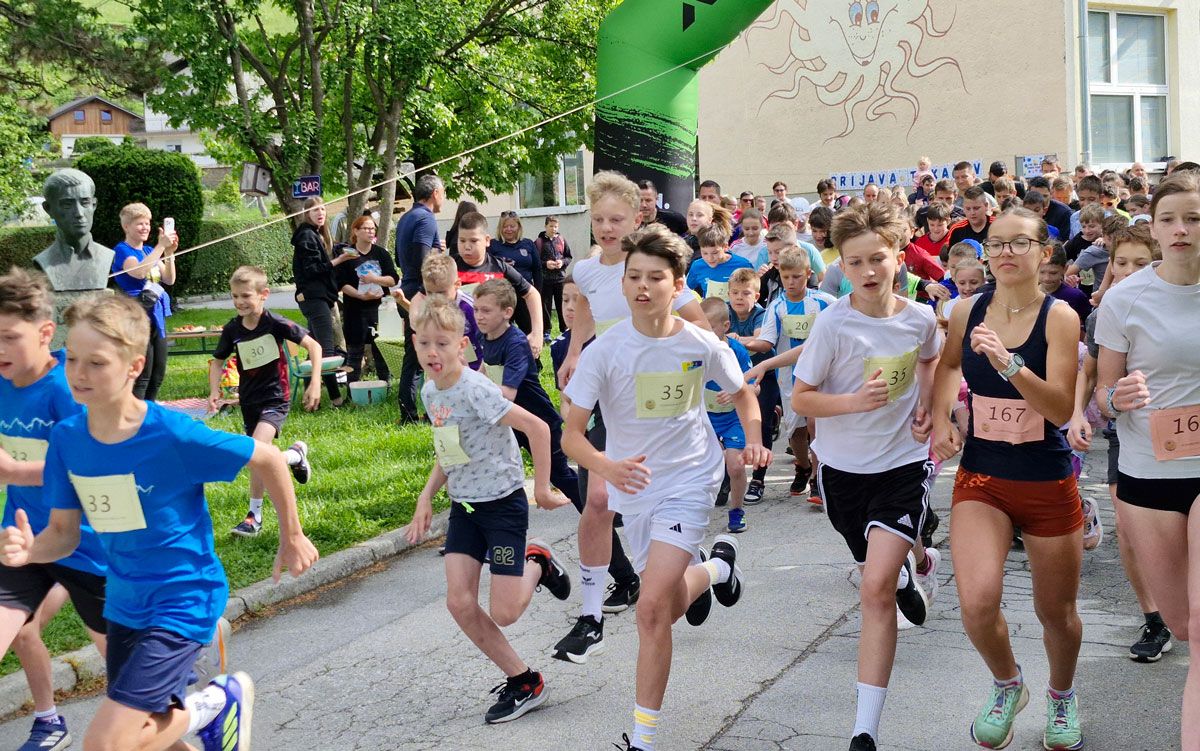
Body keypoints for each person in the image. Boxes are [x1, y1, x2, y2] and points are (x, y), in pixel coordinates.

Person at [1, 292, 318, 751]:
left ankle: (215, 703)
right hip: (124, 603)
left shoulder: (169, 433)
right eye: (72, 359)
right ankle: (210, 715)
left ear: (134, 366)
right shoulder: (68, 439)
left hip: (181, 599)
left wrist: (292, 535)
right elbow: (64, 536)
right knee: (148, 739)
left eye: (96, 363)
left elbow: (268, 458)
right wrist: (29, 550)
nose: (79, 374)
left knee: (106, 743)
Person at [562, 225, 768, 751]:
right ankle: (717, 568)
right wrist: (606, 467)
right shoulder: (605, 352)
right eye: (634, 276)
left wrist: (753, 438)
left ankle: (643, 740)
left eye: (655, 277)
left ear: (678, 286)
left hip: (692, 479)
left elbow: (743, 394)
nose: (642, 286)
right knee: (667, 605)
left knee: (650, 610)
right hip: (635, 487)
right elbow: (571, 435)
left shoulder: (700, 342)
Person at [932, 207, 1086, 751]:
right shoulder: (966, 309)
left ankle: (1061, 695)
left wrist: (1008, 363)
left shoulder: (1059, 317)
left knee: (1056, 613)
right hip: (983, 476)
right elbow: (947, 366)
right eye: (995, 244)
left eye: (1018, 243)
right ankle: (1007, 685)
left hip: (1046, 479)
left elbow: (1061, 407)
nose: (1004, 253)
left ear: (1044, 252)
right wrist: (943, 418)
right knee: (976, 602)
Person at [791, 202, 941, 751]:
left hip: (903, 463)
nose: (869, 271)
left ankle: (864, 731)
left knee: (873, 588)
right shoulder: (834, 324)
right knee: (874, 568)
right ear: (842, 266)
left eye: (878, 258)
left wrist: (929, 406)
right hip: (842, 473)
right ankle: (911, 572)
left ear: (898, 256)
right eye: (855, 262)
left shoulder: (920, 318)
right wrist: (853, 401)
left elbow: (931, 360)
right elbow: (803, 398)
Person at [554, 172, 711, 665]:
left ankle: (697, 565)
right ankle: (591, 616)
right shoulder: (587, 270)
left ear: (636, 218)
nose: (605, 228)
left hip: (660, 408)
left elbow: (701, 327)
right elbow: (585, 309)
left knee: (635, 497)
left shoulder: (650, 268)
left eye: (615, 219)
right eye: (598, 219)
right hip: (611, 398)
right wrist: (575, 354)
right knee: (596, 499)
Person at [1095, 171, 1200, 751]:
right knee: (1181, 624)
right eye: (1169, 219)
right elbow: (1102, 394)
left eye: (1194, 218)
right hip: (1148, 472)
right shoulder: (1124, 298)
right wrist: (1117, 398)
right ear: (1153, 228)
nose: (1181, 229)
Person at [0, 268, 109, 750]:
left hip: (84, 545)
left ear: (45, 332)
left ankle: (203, 707)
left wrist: (13, 471)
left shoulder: (68, 389)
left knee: (131, 685)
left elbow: (92, 468)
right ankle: (49, 722)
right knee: (19, 633)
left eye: (9, 337)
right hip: (22, 539)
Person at [1067, 223, 1168, 658]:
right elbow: (1089, 372)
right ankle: (1154, 619)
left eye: (1139, 264)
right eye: (1120, 263)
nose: (1127, 272)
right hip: (1125, 432)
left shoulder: (1183, 302)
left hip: (1181, 434)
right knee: (1128, 526)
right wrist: (1077, 414)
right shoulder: (1103, 313)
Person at [208, 265, 320, 537]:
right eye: (235, 296)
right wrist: (214, 391)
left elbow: (313, 346)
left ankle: (253, 516)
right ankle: (295, 455)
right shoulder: (232, 329)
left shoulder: (275, 323)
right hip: (249, 401)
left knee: (256, 452)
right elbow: (218, 361)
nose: (240, 302)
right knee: (259, 455)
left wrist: (315, 382)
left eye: (246, 295)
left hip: (275, 397)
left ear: (263, 294)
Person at [745, 248, 837, 501]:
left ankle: (817, 478)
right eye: (786, 277)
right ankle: (803, 466)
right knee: (796, 431)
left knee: (815, 424)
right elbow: (766, 341)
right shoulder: (776, 306)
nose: (791, 282)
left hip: (822, 376)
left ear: (808, 274)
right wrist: (742, 342)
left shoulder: (825, 302)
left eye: (797, 276)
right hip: (789, 376)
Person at [111, 202, 179, 401]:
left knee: (158, 373)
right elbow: (139, 272)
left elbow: (169, 279)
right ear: (126, 226)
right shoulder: (122, 250)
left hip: (156, 317)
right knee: (143, 375)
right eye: (140, 224)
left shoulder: (150, 250)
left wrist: (169, 253)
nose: (145, 228)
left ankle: (150, 411)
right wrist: (161, 246)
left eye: (147, 223)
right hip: (136, 318)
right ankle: (135, 413)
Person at [699, 298, 756, 533]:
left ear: (725, 326)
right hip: (706, 418)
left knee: (735, 466)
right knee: (700, 469)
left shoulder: (736, 351)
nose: (704, 333)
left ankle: (737, 511)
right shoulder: (694, 349)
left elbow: (754, 388)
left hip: (733, 418)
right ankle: (694, 513)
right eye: (700, 327)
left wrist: (736, 392)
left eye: (710, 327)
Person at [451, 212, 543, 355]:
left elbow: (532, 294)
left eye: (473, 241)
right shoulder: (450, 267)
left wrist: (537, 333)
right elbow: (423, 296)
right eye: (462, 241)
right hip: (459, 346)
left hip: (495, 347)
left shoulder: (499, 267)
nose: (467, 247)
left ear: (487, 240)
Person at [393, 174, 446, 422]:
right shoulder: (426, 218)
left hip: (408, 286)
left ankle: (409, 412)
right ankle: (414, 414)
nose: (443, 198)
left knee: (413, 356)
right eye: (443, 193)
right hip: (420, 293)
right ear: (435, 193)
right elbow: (423, 260)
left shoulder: (406, 217)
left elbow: (399, 257)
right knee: (424, 356)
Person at [726, 268, 776, 505]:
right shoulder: (724, 311)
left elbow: (759, 341)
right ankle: (726, 477)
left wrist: (735, 339)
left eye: (745, 293)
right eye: (734, 292)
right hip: (733, 375)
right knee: (727, 422)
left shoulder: (761, 313)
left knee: (761, 423)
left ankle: (758, 479)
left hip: (761, 374)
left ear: (756, 296)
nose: (739, 297)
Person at [291, 197, 347, 408]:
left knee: (314, 346)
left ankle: (309, 399)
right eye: (315, 210)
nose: (320, 213)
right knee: (326, 349)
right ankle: (336, 399)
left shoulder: (313, 234)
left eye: (323, 209)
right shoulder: (307, 236)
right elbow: (312, 270)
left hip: (316, 297)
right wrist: (338, 261)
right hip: (314, 299)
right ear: (307, 214)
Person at [335, 215, 398, 383]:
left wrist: (374, 279)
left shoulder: (381, 253)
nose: (371, 232)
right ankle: (352, 390)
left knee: (381, 351)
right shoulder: (347, 255)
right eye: (366, 228)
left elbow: (393, 279)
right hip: (355, 310)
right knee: (354, 354)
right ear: (356, 231)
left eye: (372, 229)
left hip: (379, 309)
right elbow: (341, 283)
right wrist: (360, 295)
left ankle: (385, 387)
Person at [34, 169, 115, 292]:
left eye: (85, 203)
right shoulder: (44, 261)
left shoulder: (107, 256)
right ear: (48, 209)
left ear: (94, 205)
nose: (79, 213)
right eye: (67, 204)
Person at [414, 253, 484, 368]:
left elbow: (487, 339)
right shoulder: (430, 306)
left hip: (474, 367)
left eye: (441, 293)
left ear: (457, 284)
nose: (435, 298)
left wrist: (480, 371)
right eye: (430, 293)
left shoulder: (470, 308)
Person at [489, 213, 543, 312]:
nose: (509, 229)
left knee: (528, 322)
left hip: (525, 294)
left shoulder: (528, 244)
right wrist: (501, 266)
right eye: (505, 226)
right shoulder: (493, 245)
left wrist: (537, 293)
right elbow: (487, 268)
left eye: (512, 226)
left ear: (518, 227)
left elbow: (537, 270)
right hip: (502, 295)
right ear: (500, 228)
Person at [686, 224, 754, 301]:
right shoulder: (697, 266)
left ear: (725, 247)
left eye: (715, 253)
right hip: (710, 307)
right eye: (705, 253)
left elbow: (753, 291)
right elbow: (686, 291)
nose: (710, 258)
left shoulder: (743, 265)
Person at [536, 216, 572, 337]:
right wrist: (546, 264)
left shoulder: (561, 240)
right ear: (545, 226)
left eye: (555, 226)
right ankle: (546, 332)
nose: (553, 229)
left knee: (562, 305)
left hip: (560, 279)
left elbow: (568, 257)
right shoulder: (539, 242)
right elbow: (535, 261)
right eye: (551, 226)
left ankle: (564, 329)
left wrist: (562, 262)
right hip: (545, 280)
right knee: (545, 307)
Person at [1040, 247, 1093, 326]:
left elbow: (1088, 325)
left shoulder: (1075, 296)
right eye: (1041, 272)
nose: (1047, 278)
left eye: (1053, 273)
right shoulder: (1027, 293)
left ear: (1065, 269)